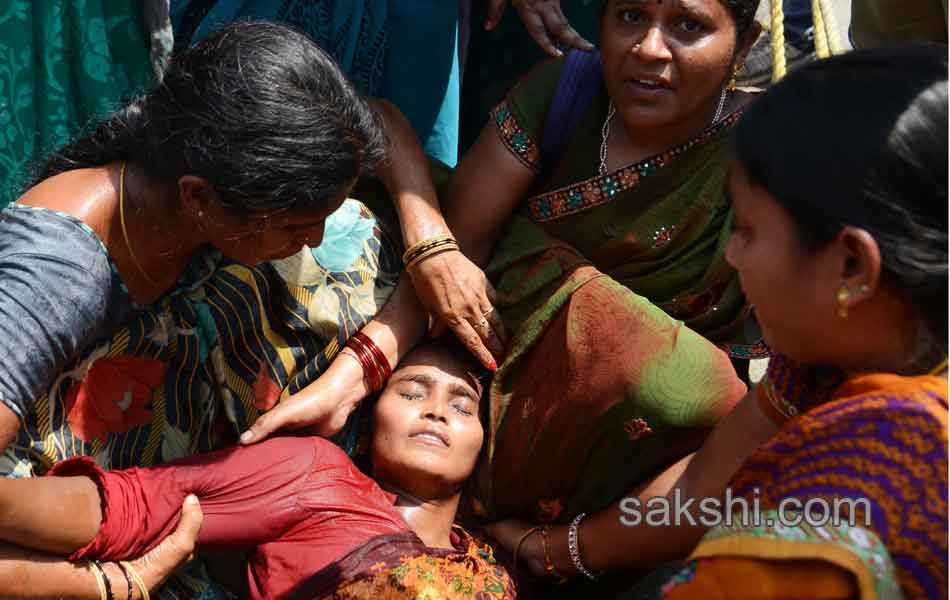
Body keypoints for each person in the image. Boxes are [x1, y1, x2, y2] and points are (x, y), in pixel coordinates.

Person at [241, 0, 764, 593]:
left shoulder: (770, 158)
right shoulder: (564, 92)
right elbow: (452, 259)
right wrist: (355, 374)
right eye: (630, 16)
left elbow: (749, 424)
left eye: (688, 26)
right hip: (474, 361)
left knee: (684, 385)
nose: (648, 47)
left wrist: (559, 548)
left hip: (619, 458)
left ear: (744, 46)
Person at [660, 44, 949, 600]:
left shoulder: (832, 507)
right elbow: (697, 488)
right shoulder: (839, 365)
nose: (731, 256)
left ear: (851, 265)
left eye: (746, 229)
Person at [0, 341, 516, 599]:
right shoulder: (316, 474)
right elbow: (134, 507)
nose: (436, 411)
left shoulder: (497, 574)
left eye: (463, 406)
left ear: (484, 444)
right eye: (411, 391)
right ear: (369, 420)